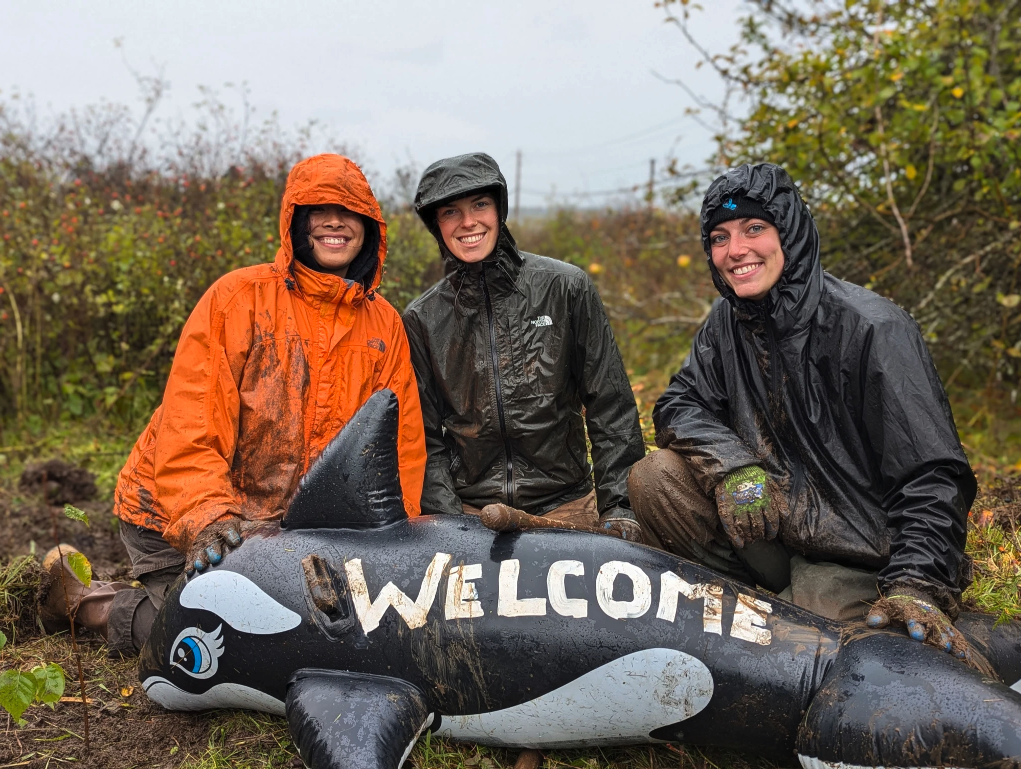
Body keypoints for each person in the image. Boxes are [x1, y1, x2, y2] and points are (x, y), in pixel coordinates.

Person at [40, 153, 426, 655]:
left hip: (279, 530)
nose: (335, 221)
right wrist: (209, 517)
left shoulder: (384, 326)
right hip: (173, 513)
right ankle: (78, 600)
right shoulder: (236, 299)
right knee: (217, 641)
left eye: (350, 211)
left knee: (322, 633)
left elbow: (397, 450)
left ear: (369, 227)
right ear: (295, 222)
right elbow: (190, 424)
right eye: (319, 209)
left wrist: (393, 541)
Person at [629, 163, 977, 659]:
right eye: (720, 237)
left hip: (861, 557)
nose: (737, 251)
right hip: (773, 534)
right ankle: (765, 608)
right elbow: (681, 403)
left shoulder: (872, 328)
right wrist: (734, 468)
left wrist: (917, 581)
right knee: (655, 479)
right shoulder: (727, 323)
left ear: (788, 233)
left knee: (819, 648)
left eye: (755, 229)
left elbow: (933, 476)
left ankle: (803, 618)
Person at [402, 152, 645, 537]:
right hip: (470, 515)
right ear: (436, 224)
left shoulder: (565, 287)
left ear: (500, 209)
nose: (468, 222)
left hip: (567, 506)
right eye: (451, 212)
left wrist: (619, 506)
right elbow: (424, 435)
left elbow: (610, 405)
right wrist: (450, 523)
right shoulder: (422, 318)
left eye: (480, 204)